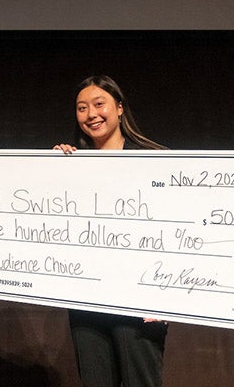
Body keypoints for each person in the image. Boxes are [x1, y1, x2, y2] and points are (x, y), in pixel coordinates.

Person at [54, 75, 168, 387]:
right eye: (81, 108)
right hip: (87, 298)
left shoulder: (157, 162)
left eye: (98, 104)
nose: (91, 114)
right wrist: (51, 172)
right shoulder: (70, 164)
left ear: (119, 108)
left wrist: (168, 297)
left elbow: (176, 232)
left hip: (141, 298)